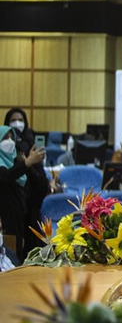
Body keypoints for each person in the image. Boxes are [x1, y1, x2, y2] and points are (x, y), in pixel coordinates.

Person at [4, 108, 52, 256]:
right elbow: (6, 177)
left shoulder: (32, 147)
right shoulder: (4, 151)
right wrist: (26, 163)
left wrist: (29, 163)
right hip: (10, 217)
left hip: (31, 215)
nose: (17, 123)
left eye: (20, 120)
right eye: (13, 120)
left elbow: (42, 187)